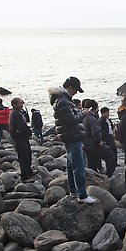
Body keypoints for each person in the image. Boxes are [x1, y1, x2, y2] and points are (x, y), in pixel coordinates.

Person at [49, 76, 96, 204]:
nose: (76, 93)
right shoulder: (63, 101)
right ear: (70, 87)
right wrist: (83, 114)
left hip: (68, 135)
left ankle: (74, 191)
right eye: (76, 90)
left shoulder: (61, 100)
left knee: (71, 165)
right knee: (78, 166)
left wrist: (79, 111)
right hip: (72, 135)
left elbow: (69, 116)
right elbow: (72, 119)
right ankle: (82, 194)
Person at [82, 99, 116, 177]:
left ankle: (93, 178)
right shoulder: (92, 119)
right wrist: (99, 141)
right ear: (94, 109)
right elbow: (96, 132)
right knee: (111, 156)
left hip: (86, 144)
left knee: (92, 162)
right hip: (93, 144)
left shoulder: (82, 117)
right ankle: (109, 176)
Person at [9, 97, 36, 182]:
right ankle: (25, 175)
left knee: (28, 154)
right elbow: (21, 126)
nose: (22, 105)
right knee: (24, 156)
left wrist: (25, 107)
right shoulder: (15, 114)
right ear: (15, 104)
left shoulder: (18, 112)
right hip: (19, 137)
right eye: (20, 103)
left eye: (22, 103)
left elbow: (26, 119)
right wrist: (29, 132)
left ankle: (29, 171)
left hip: (22, 137)